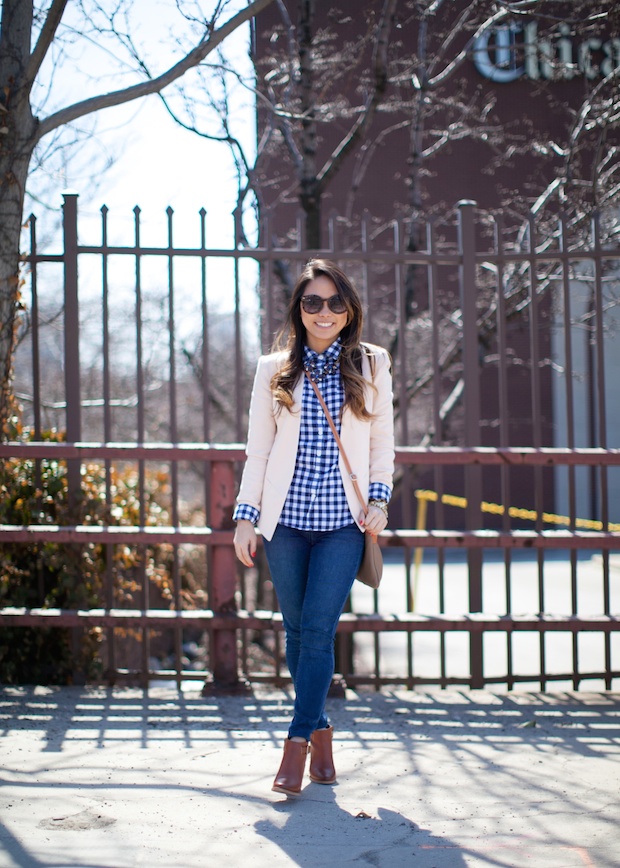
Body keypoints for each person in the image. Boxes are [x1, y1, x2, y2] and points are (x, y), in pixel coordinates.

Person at [233, 259, 394, 797]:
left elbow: (381, 445)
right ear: (298, 310)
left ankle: (297, 743)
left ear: (349, 310)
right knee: (296, 631)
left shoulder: (371, 364)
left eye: (334, 303)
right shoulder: (273, 369)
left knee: (319, 630)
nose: (323, 312)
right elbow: (258, 449)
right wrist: (245, 517)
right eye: (312, 302)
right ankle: (322, 734)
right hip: (286, 523)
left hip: (343, 524)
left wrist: (380, 499)